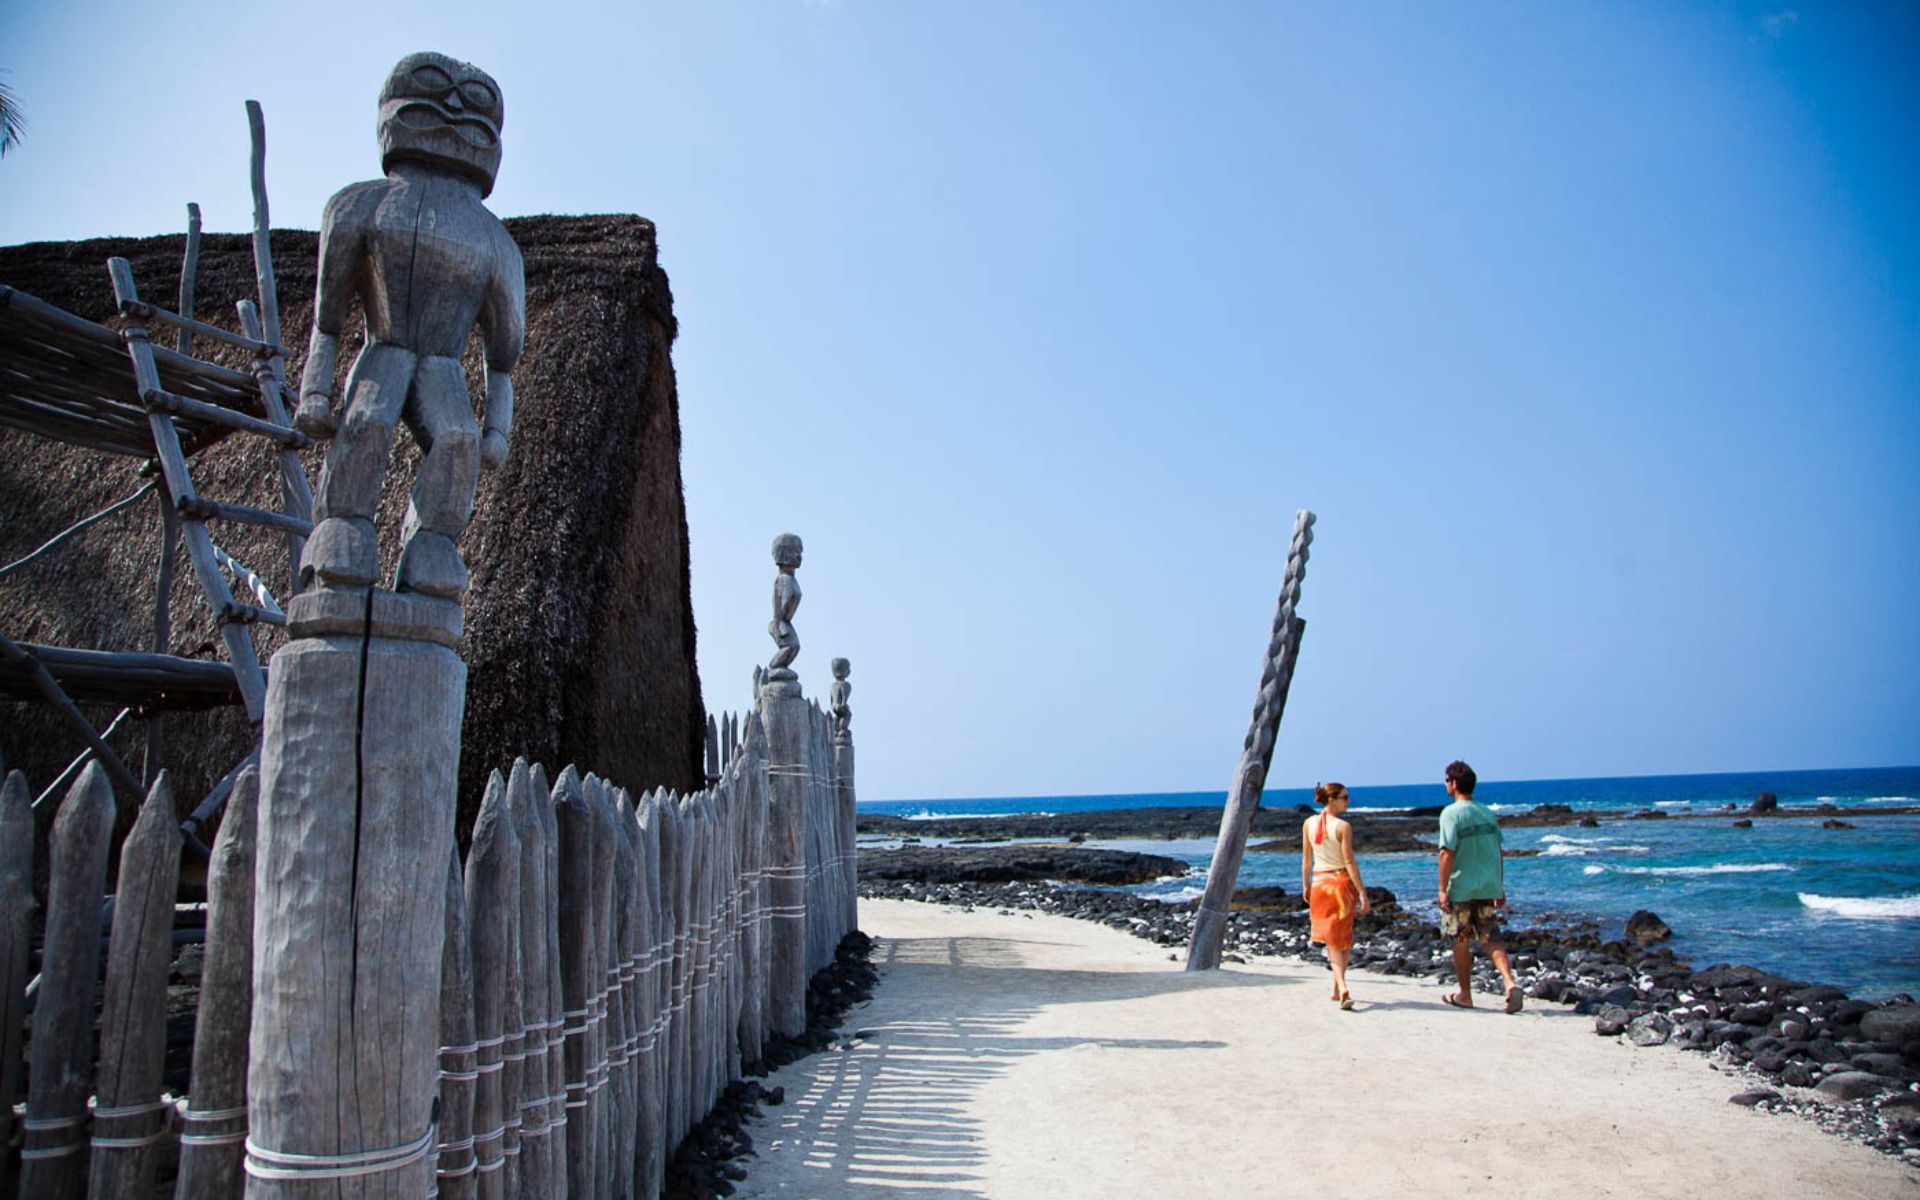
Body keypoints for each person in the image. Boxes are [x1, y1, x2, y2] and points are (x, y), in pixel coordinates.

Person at [1436, 760, 1523, 1012]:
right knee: (1491, 938)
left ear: (1453, 784)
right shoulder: (1486, 812)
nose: (1445, 784)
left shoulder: (1451, 814)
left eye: (1446, 780)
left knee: (1460, 940)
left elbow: (1446, 853)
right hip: (1487, 885)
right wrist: (1499, 885)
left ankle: (1465, 994)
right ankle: (1509, 982)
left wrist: (1442, 888)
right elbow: (1497, 850)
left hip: (1461, 886)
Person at [1302, 781, 1370, 1010]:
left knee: (1333, 938)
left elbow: (1306, 861)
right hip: (1340, 886)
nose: (1348, 801)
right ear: (1331, 799)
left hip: (1320, 884)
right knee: (1342, 938)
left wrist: (1306, 886)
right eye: (1344, 797)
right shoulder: (1343, 826)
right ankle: (1342, 986)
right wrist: (1362, 891)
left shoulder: (1308, 824)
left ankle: (1335, 987)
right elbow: (1349, 862)